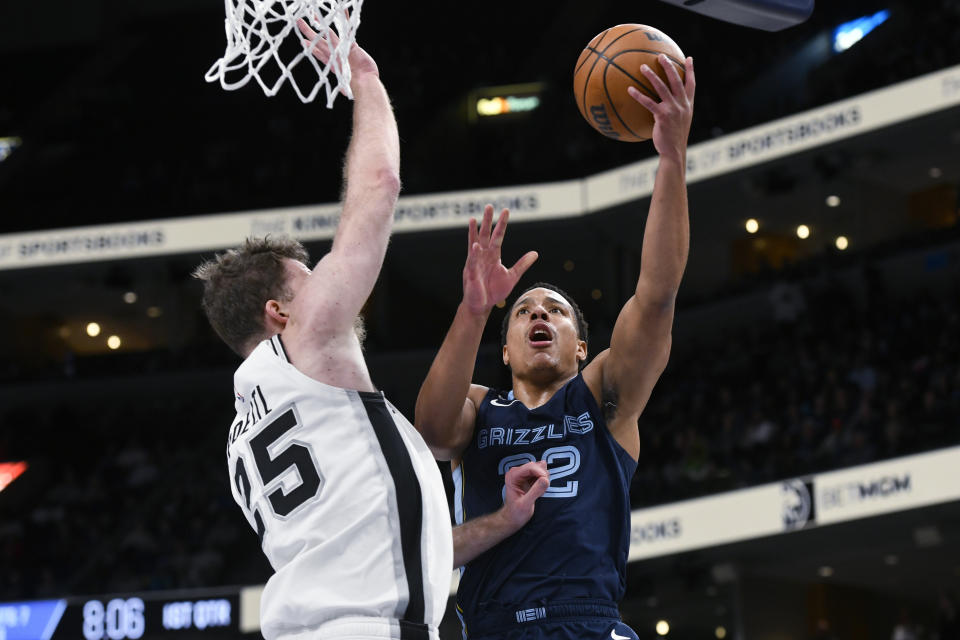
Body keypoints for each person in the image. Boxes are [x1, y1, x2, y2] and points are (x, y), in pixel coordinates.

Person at [193, 26, 548, 640]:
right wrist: (365, 80)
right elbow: (378, 188)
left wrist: (503, 521)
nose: (331, 291)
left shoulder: (248, 430)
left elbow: (399, 544)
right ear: (280, 312)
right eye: (311, 280)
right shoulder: (302, 346)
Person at [415, 54, 695, 639]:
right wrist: (473, 311)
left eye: (556, 311)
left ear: (583, 346)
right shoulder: (479, 407)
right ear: (508, 353)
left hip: (587, 624)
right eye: (522, 311)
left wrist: (671, 160)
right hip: (492, 626)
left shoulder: (605, 397)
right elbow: (434, 432)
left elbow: (657, 296)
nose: (539, 311)